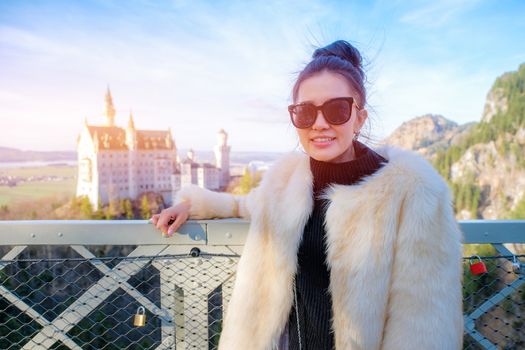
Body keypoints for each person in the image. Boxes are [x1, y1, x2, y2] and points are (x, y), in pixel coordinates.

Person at [151, 40, 464, 350]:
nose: (319, 124)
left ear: (359, 118)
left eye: (337, 109)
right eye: (305, 112)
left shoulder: (413, 192)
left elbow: (424, 322)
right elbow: (243, 204)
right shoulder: (286, 180)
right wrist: (190, 204)